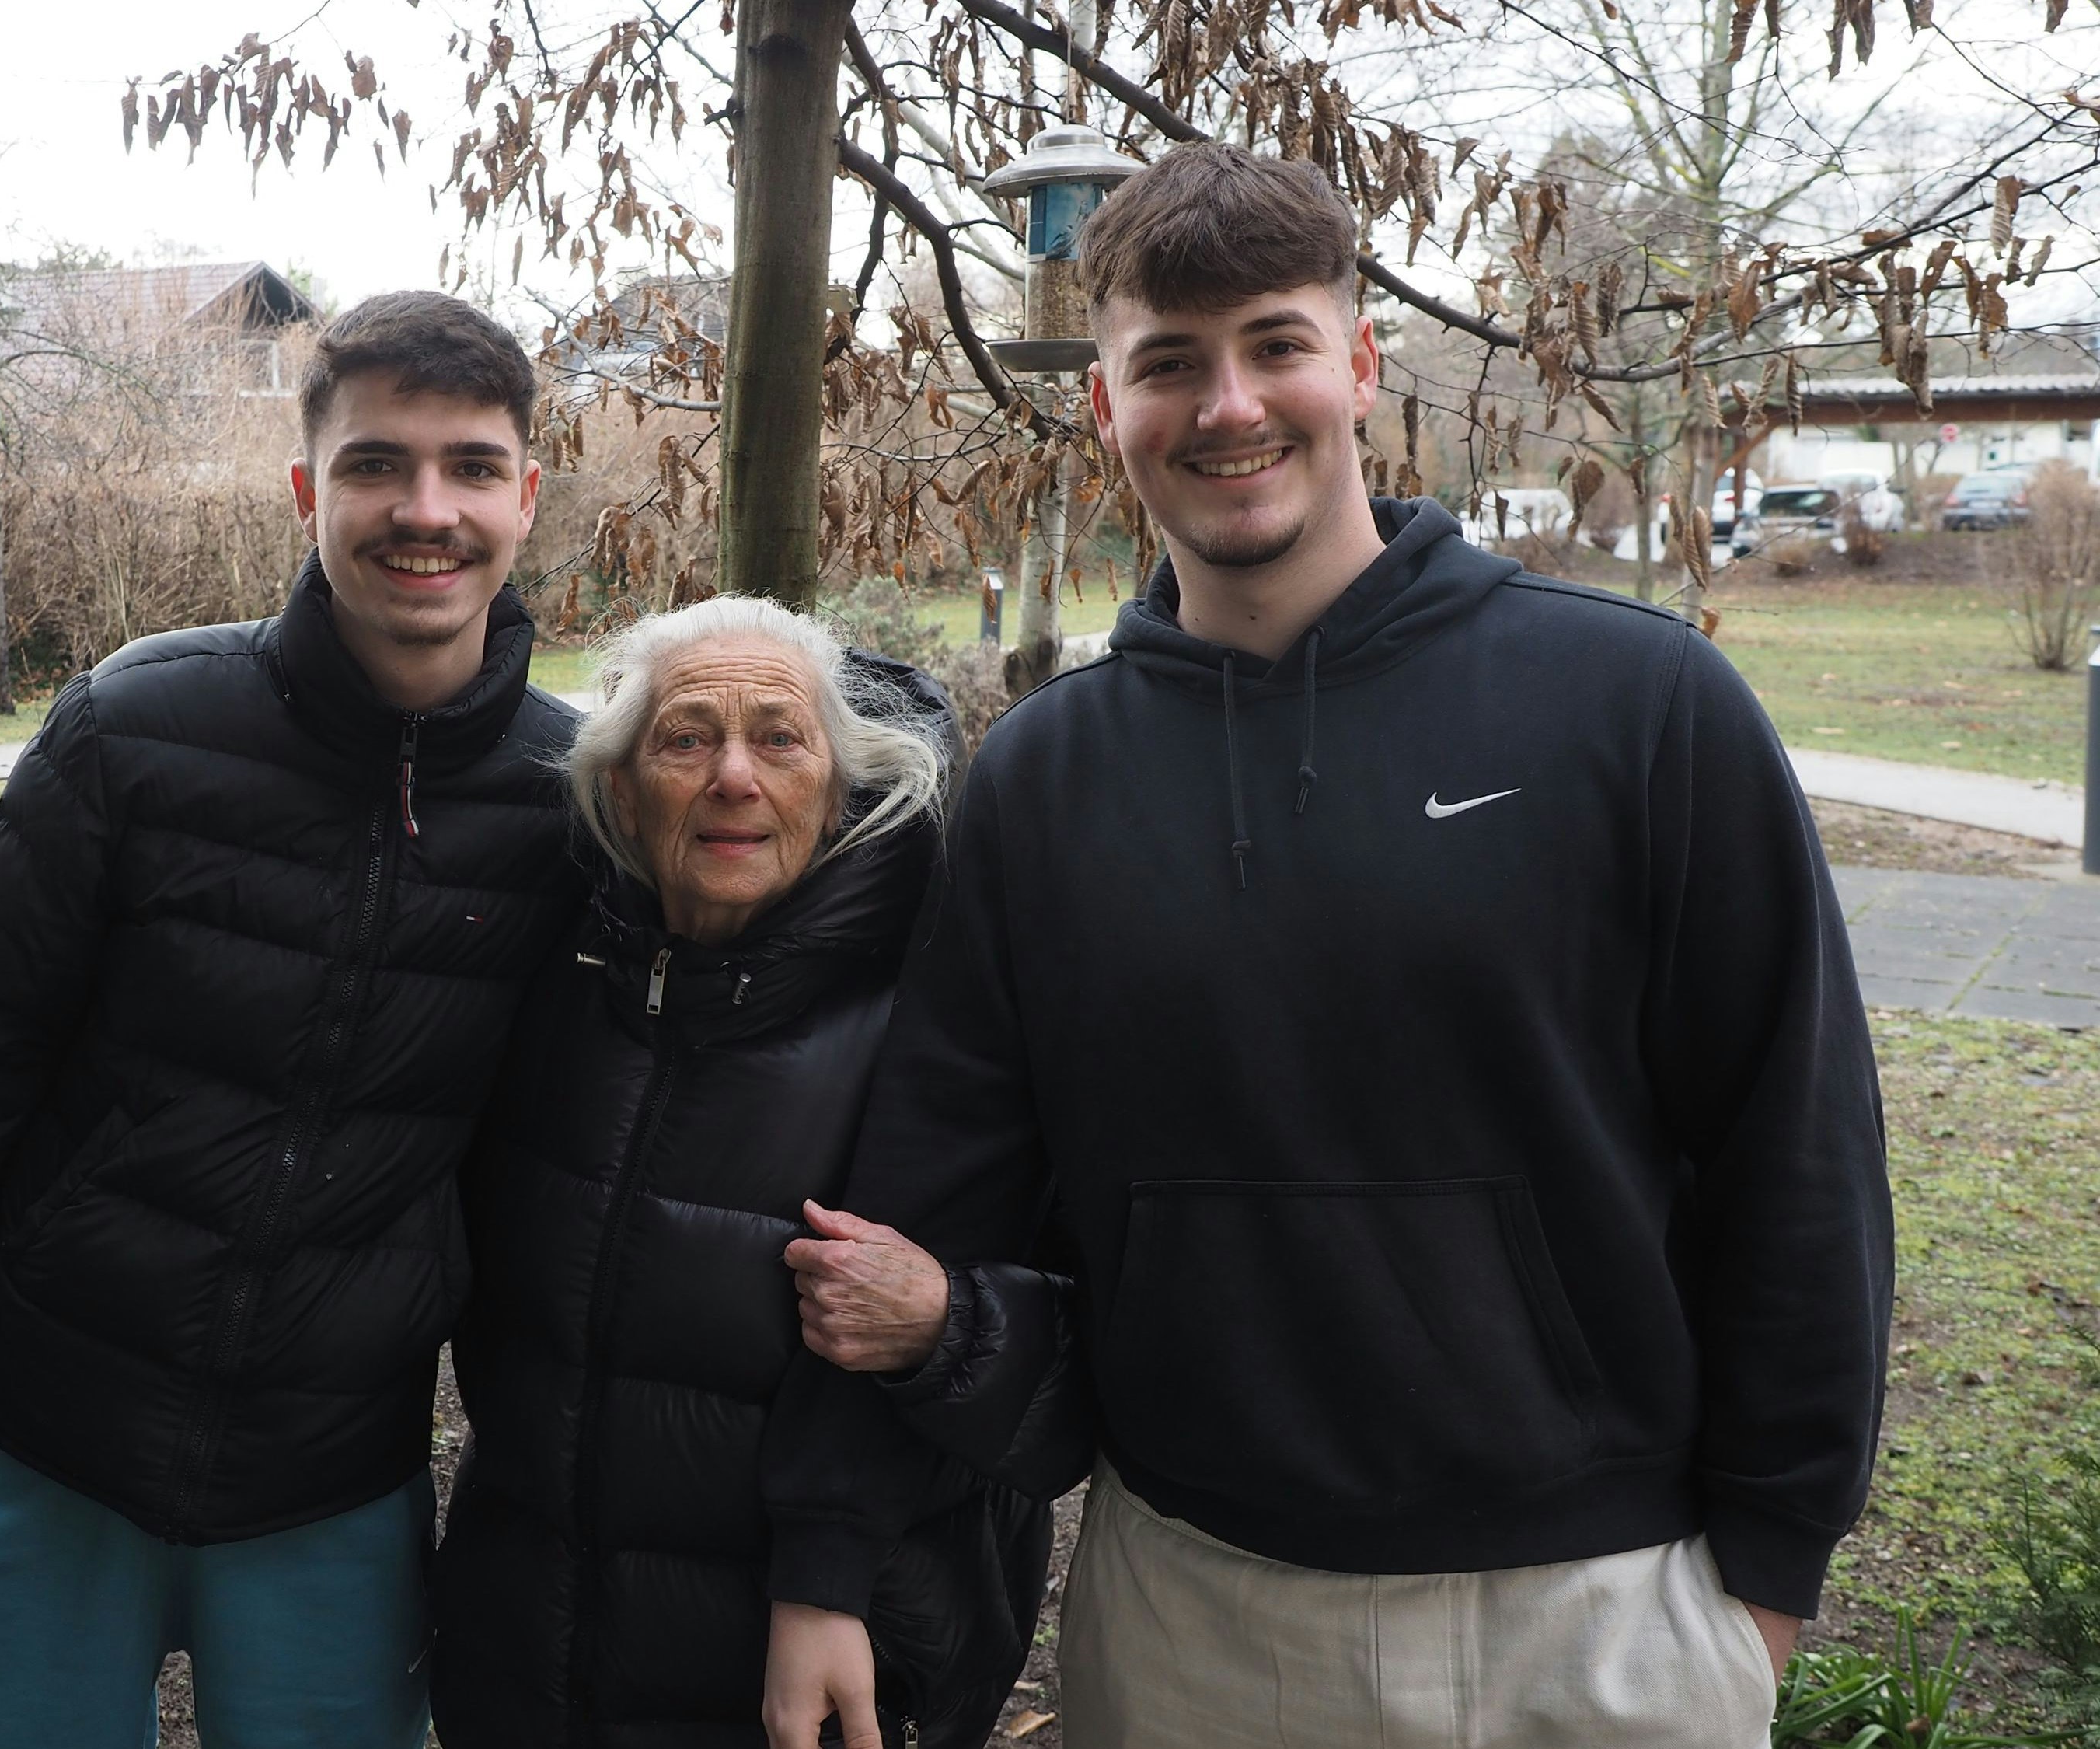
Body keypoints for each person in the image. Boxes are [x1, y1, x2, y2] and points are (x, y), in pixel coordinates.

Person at [762, 144, 1892, 1749]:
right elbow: (920, 1196)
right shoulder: (1042, 778)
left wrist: (1762, 1584)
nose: (1227, 405)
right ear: (1104, 408)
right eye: (1166, 362)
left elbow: (1798, 1157)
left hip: (1594, 1613)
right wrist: (824, 1556)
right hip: (1190, 1610)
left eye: (1274, 345)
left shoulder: (1633, 709)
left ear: (1358, 367)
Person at [0, 290, 582, 1749]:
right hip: (43, 1449)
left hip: (333, 1484)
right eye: (376, 465)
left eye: (471, 467)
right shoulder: (133, 729)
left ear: (526, 497)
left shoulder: (575, 804)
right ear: (309, 490)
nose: (424, 509)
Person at [428, 596, 1051, 1749]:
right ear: (622, 787)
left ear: (839, 784)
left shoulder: (942, 1021)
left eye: (779, 737)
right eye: (684, 738)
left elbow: (1065, 1378)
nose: (732, 775)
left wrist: (943, 1324)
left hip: (816, 1689)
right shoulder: (547, 995)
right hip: (524, 1668)